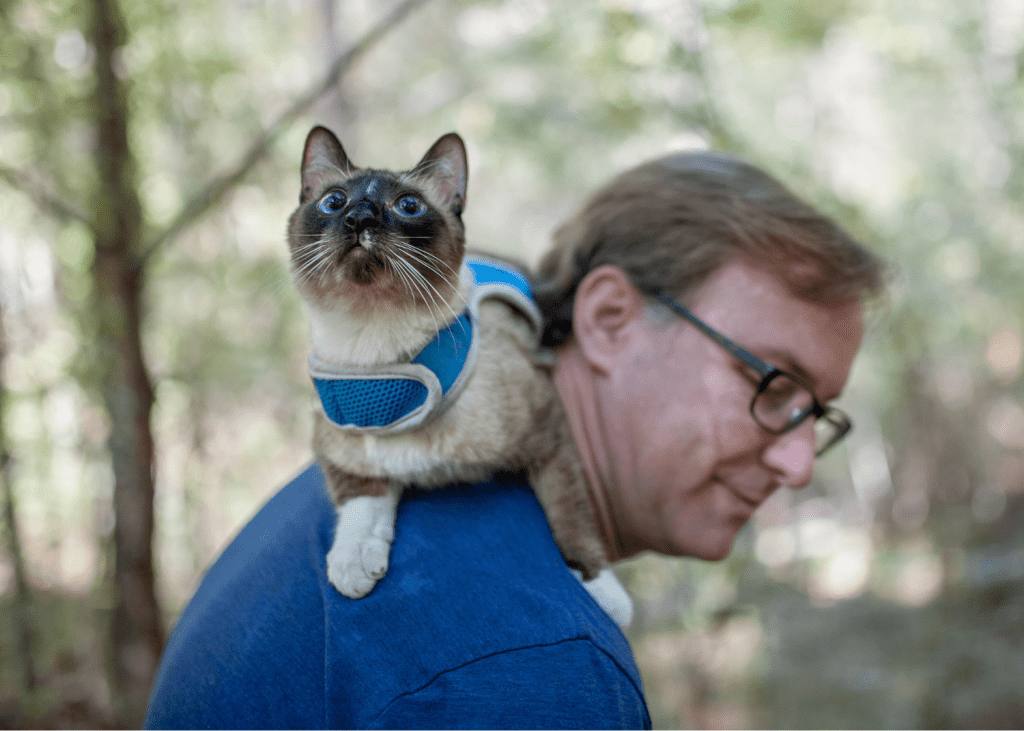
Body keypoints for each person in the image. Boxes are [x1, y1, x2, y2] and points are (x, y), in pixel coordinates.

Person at [145, 149, 887, 729]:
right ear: (609, 320)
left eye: (815, 415)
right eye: (774, 382)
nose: (796, 463)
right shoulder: (536, 666)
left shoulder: (380, 472)